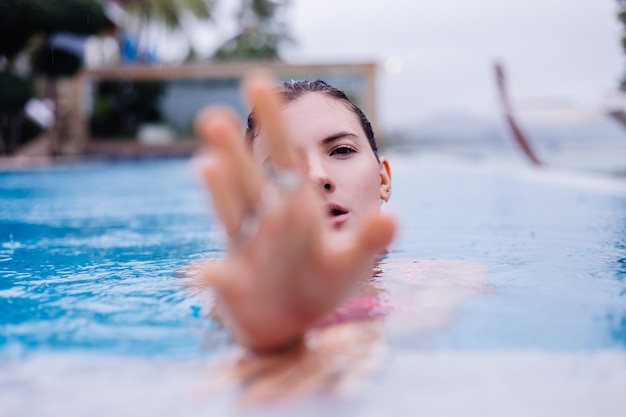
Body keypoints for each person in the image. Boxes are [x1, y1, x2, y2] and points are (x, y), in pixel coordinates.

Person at [186, 72, 487, 402]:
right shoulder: (218, 283)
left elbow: (425, 328)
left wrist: (342, 336)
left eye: (342, 150)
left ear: (384, 178)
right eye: (281, 171)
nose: (317, 176)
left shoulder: (450, 279)